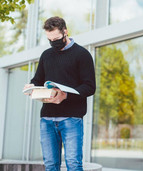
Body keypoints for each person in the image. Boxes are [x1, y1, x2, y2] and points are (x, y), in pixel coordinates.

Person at [23, 16, 96, 171]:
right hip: (47, 119)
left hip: (71, 119)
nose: (53, 43)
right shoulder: (46, 55)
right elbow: (38, 79)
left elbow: (90, 87)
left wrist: (66, 95)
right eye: (50, 40)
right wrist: (32, 87)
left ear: (65, 32)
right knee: (50, 165)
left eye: (56, 38)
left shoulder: (82, 55)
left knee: (73, 165)